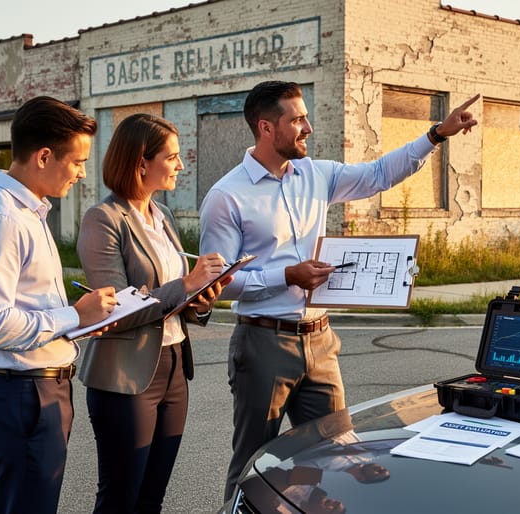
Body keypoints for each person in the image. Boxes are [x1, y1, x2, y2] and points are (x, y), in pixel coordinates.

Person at [199, 80, 479, 501]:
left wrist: (436, 135)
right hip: (263, 343)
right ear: (266, 127)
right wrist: (286, 276)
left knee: (334, 455)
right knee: (253, 462)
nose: (308, 127)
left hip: (321, 341)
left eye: (306, 117)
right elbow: (216, 283)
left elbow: (380, 173)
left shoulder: (318, 175)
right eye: (296, 119)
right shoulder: (226, 197)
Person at [0, 96, 118, 514]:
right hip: (22, 394)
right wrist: (73, 315)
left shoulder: (29, 213)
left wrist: (77, 323)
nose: (82, 173)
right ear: (45, 156)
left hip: (37, 389)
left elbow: (26, 305)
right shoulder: (1, 219)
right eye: (78, 161)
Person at [76, 113, 228, 513]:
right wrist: (188, 283)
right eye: (173, 156)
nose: (181, 165)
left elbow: (176, 299)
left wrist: (203, 296)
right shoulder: (103, 220)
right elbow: (116, 309)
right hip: (126, 376)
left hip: (174, 366)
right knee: (120, 498)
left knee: (151, 498)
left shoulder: (164, 218)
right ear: (141, 161)